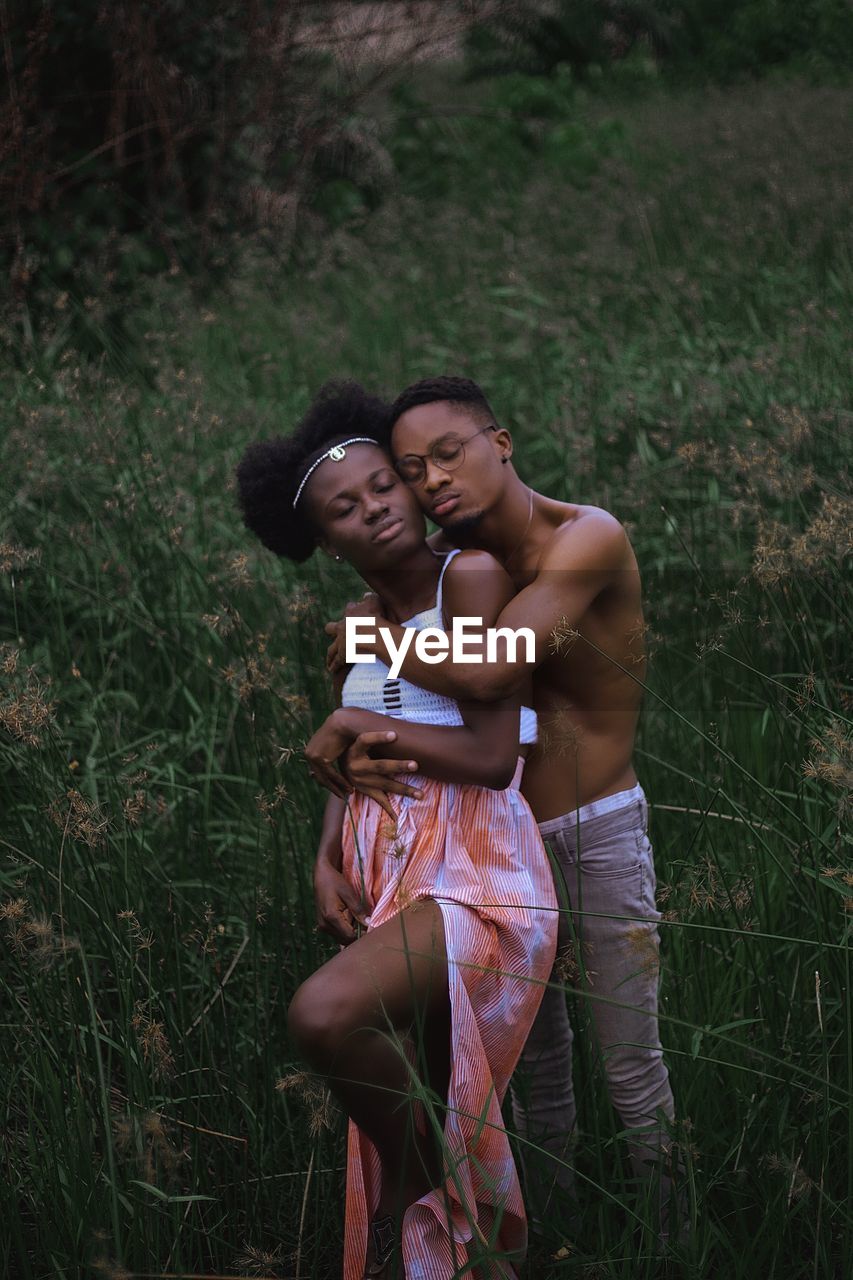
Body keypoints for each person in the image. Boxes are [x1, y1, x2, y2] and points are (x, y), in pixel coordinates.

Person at [324, 376, 682, 1248]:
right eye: (413, 469)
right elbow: (392, 703)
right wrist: (331, 841)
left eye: (448, 453)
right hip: (497, 847)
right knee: (533, 1071)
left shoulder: (585, 539)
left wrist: (370, 638)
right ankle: (553, 1243)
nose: (432, 480)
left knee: (630, 1068)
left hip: (592, 830)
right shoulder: (448, 564)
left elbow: (488, 672)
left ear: (502, 440)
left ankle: (678, 1246)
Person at [235, 381, 558, 1280]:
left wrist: (351, 734)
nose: (373, 509)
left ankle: (418, 1183)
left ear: (412, 487)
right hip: (388, 875)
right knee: (440, 1084)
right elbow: (357, 741)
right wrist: (324, 855)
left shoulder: (472, 578)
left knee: (324, 1014)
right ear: (323, 541)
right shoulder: (359, 624)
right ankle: (469, 1244)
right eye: (345, 508)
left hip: (479, 869)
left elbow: (492, 753)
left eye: (384, 486)